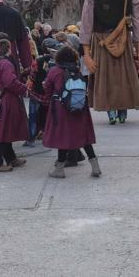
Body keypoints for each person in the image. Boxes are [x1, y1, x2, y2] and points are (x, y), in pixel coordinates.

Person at [80, 0, 139, 121]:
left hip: (100, 44)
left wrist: (86, 55)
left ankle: (111, 112)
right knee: (124, 77)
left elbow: (86, 28)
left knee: (105, 78)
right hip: (123, 42)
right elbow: (138, 28)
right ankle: (123, 112)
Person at [42, 46, 100, 178]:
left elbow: (48, 89)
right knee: (84, 138)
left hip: (61, 110)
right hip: (80, 109)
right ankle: (95, 167)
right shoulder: (77, 70)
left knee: (62, 137)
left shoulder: (54, 71)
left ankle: (59, 169)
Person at [0, 39, 30, 172]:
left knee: (3, 130)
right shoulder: (6, 63)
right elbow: (10, 82)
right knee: (2, 131)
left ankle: (11, 158)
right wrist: (24, 88)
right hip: (4, 100)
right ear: (9, 49)